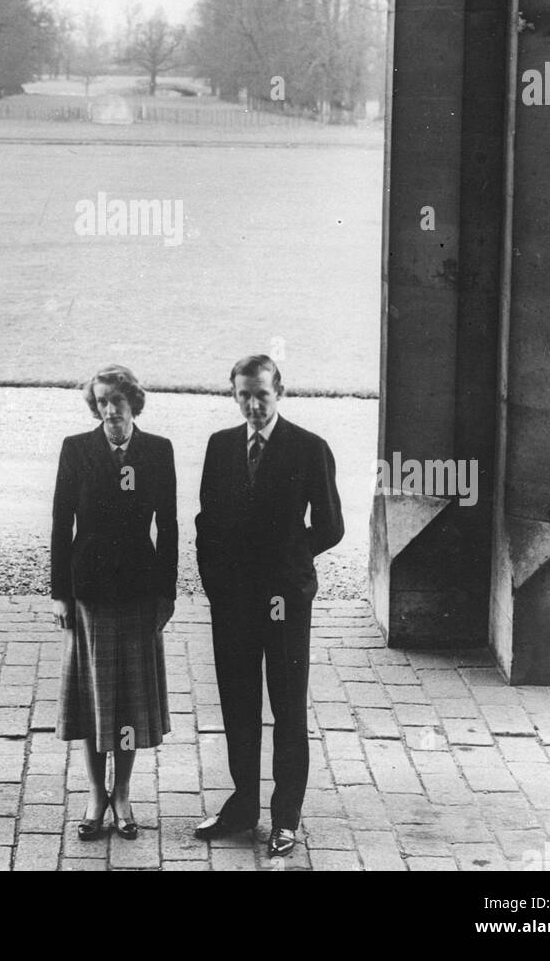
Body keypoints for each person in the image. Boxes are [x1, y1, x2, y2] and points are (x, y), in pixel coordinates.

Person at [194, 353, 344, 858]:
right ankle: (242, 806)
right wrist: (217, 585)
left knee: (286, 708)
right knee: (238, 704)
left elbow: (330, 526)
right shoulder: (220, 447)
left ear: (279, 391)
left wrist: (284, 559)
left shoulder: (308, 449)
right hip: (233, 601)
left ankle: (286, 817)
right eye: (243, 395)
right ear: (233, 395)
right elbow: (206, 522)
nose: (252, 405)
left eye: (261, 394)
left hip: (283, 600)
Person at [51, 364, 178, 841]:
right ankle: (94, 795)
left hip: (139, 592)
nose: (110, 411)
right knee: (92, 698)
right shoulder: (77, 449)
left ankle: (122, 792)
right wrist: (60, 592)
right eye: (102, 402)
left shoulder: (157, 451)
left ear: (133, 405)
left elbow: (168, 526)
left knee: (126, 699)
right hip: (89, 593)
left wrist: (166, 592)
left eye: (117, 403)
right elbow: (61, 524)